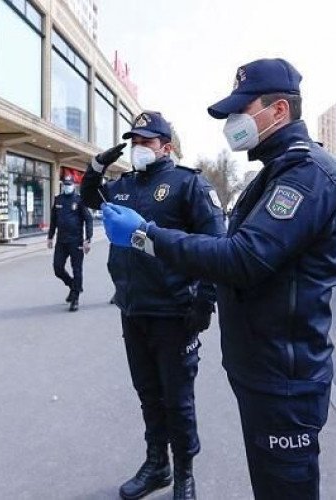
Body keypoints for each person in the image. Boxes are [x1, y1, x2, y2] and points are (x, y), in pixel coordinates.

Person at [101, 59, 336, 500]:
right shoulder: (274, 172)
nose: (233, 122)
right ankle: (159, 464)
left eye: (241, 109)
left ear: (278, 111)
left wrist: (146, 236)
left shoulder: (307, 172)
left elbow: (242, 256)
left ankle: (183, 475)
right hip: (261, 366)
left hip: (284, 376)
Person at [81, 111, 225, 500]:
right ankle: (156, 464)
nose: (138, 148)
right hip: (134, 308)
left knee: (177, 400)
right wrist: (98, 165)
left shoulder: (187, 184)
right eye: (134, 141)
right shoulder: (123, 184)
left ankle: (185, 474)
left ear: (166, 146)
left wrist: (206, 302)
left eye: (146, 141)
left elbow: (215, 246)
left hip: (175, 312)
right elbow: (87, 195)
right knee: (147, 393)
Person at [48, 175, 93, 312]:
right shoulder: (58, 200)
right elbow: (53, 221)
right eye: (65, 184)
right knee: (57, 268)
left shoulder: (79, 200)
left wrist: (88, 239)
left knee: (77, 269)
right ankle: (73, 285)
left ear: (74, 185)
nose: (67, 186)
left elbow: (88, 220)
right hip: (61, 241)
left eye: (69, 184)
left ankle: (75, 299)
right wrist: (50, 237)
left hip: (76, 241)